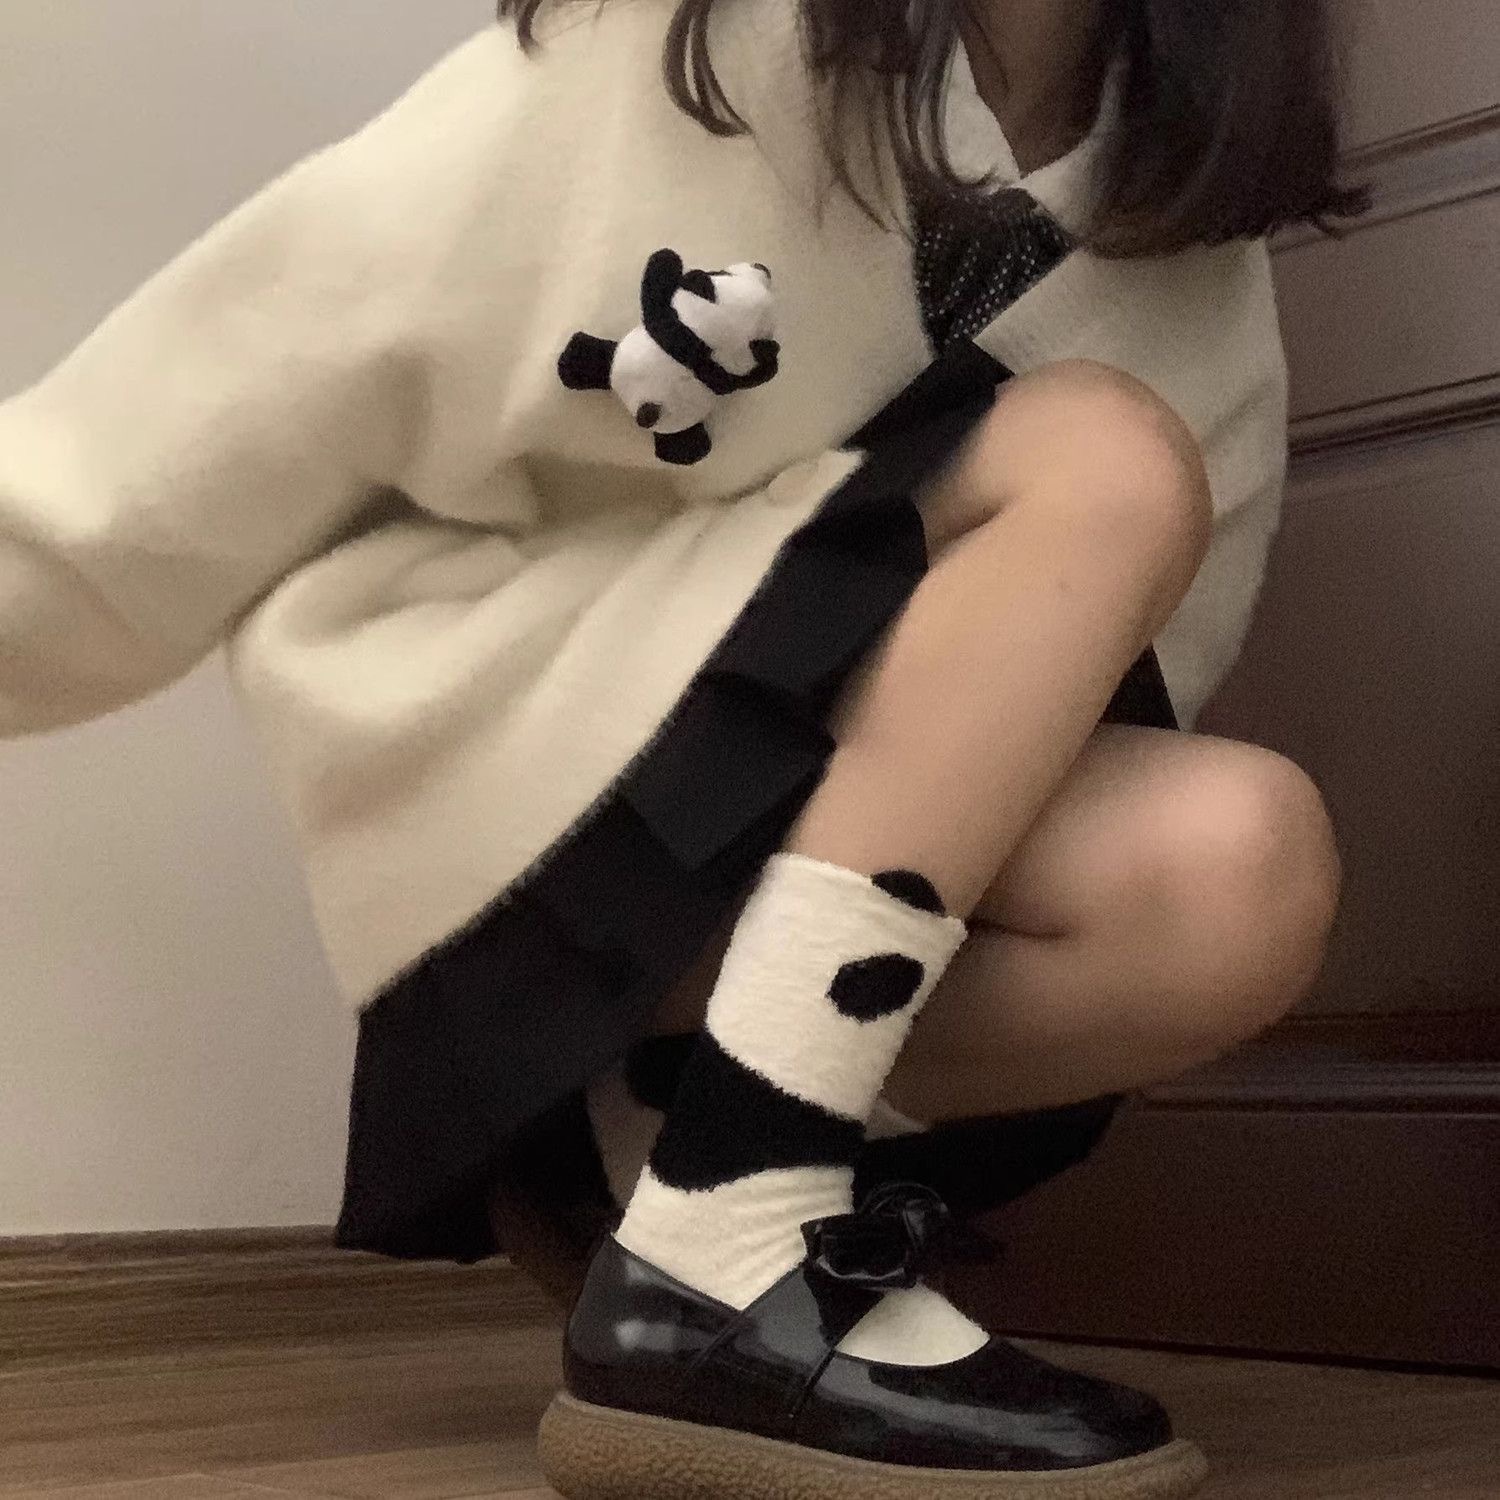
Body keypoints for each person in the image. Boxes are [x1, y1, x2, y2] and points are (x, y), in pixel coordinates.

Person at [0, 0, 1355, 1494]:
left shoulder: (1181, 224)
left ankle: (677, 1165)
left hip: (775, 912)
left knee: (1238, 870)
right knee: (1100, 451)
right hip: (540, 809)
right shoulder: (678, 45)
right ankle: (729, 1218)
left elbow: (1114, 675)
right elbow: (278, 348)